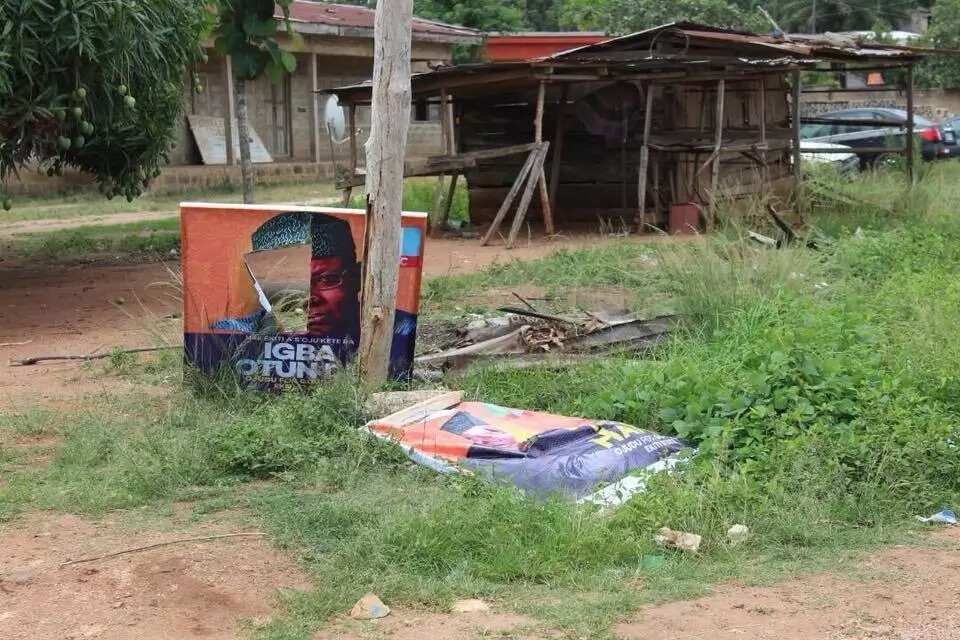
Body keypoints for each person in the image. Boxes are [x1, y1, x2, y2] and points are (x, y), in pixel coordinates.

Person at [307, 214, 360, 338]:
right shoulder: (253, 334)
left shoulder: (395, 333)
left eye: (326, 279)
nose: (309, 299)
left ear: (357, 279)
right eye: (290, 284)